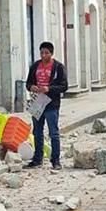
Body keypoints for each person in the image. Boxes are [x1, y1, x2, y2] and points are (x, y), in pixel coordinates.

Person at [25, 41, 68, 170]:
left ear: (51, 53)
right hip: (37, 102)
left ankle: (55, 160)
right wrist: (31, 87)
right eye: (42, 53)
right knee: (37, 132)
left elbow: (64, 86)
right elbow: (28, 83)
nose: (44, 55)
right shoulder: (35, 66)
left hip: (51, 103)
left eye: (46, 53)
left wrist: (49, 89)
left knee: (53, 132)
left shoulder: (58, 67)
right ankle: (37, 158)